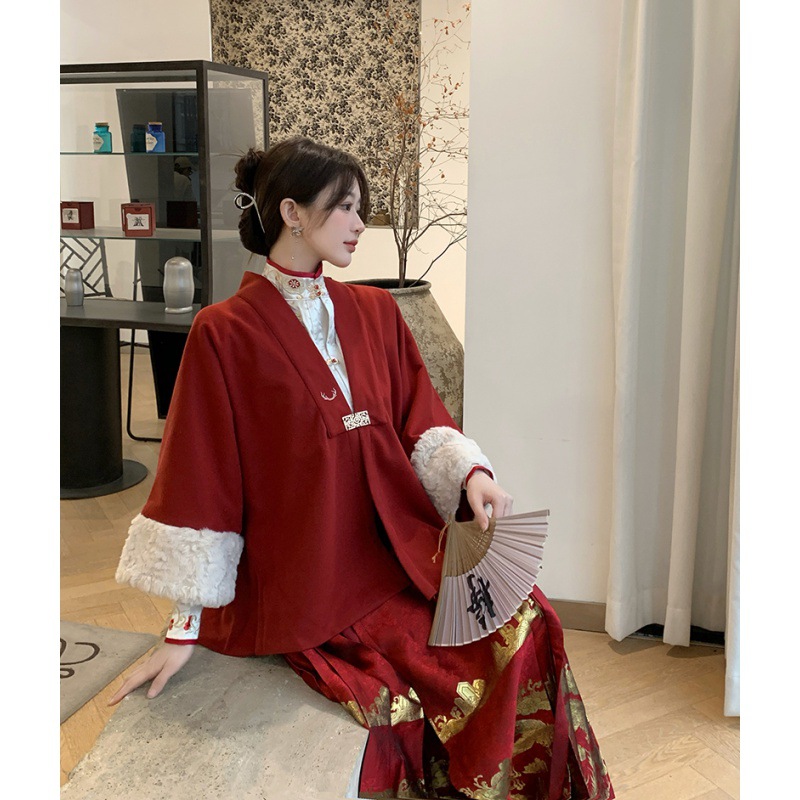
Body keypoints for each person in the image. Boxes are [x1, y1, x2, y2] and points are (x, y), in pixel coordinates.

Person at [111, 137, 614, 799]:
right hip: (305, 576)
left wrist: (471, 474)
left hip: (397, 548)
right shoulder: (223, 332)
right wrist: (184, 629)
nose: (358, 223)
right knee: (408, 692)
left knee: (531, 623)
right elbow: (201, 477)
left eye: (360, 207)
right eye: (345, 207)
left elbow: (419, 418)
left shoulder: (376, 313)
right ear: (292, 212)